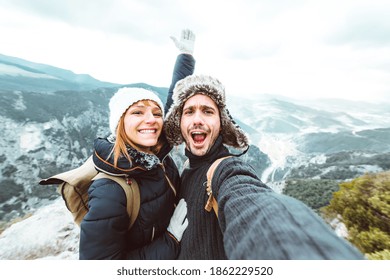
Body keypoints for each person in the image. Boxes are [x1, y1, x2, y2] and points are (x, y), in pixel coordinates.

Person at [163, 74, 366, 260]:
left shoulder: (225, 169)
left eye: (208, 111)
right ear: (179, 122)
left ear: (221, 123)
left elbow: (253, 205)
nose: (197, 119)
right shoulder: (185, 169)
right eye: (189, 111)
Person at [79, 29, 196, 260]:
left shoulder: (157, 150)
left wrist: (185, 56)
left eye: (155, 113)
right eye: (137, 112)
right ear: (120, 124)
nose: (151, 119)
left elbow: (174, 99)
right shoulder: (110, 192)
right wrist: (171, 240)